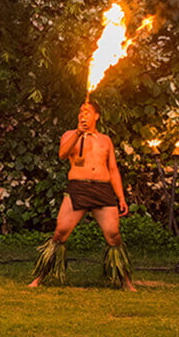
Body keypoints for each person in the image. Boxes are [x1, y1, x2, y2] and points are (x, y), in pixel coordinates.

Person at [28, 102, 134, 291]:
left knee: (113, 235)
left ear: (96, 116)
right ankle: (39, 277)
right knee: (60, 232)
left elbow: (113, 169)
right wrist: (78, 133)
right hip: (78, 188)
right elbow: (62, 154)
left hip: (102, 189)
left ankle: (125, 280)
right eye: (80, 112)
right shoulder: (70, 135)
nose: (82, 115)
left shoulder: (105, 140)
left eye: (87, 112)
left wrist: (121, 197)